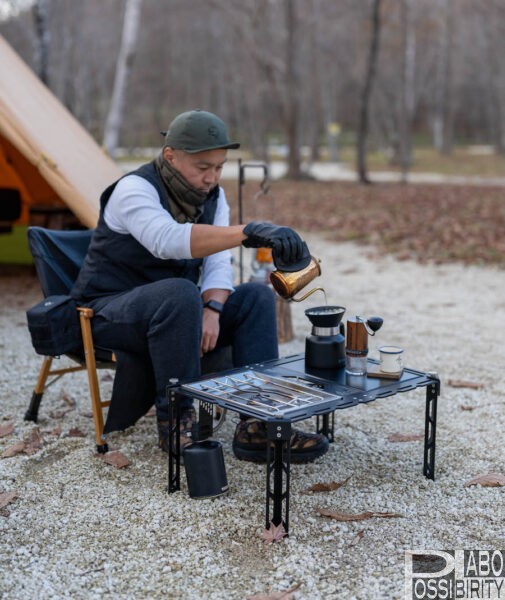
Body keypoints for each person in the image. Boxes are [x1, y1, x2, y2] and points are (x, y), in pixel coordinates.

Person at [71, 109, 329, 463]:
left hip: (178, 313)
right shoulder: (133, 189)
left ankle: (259, 425)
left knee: (255, 296)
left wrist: (213, 308)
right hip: (107, 310)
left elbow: (218, 262)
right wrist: (248, 232)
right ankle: (178, 424)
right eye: (203, 167)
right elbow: (167, 240)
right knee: (179, 292)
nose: (212, 177)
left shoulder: (214, 197)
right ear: (171, 156)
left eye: (219, 167)